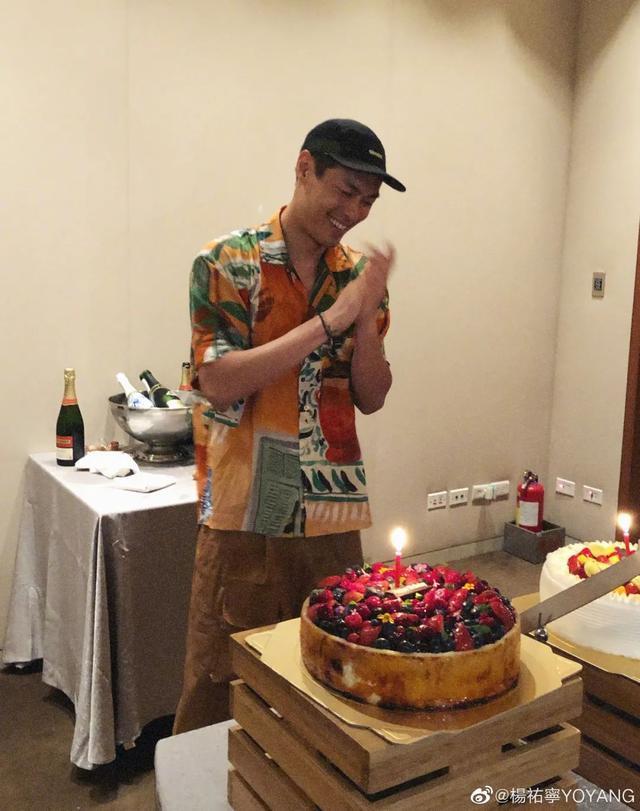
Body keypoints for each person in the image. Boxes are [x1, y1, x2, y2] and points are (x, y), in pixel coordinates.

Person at [173, 118, 406, 733]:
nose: (355, 211)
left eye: (368, 201)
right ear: (305, 167)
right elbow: (218, 380)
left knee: (334, 671)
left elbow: (372, 397)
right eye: (346, 190)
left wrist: (363, 321)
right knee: (219, 677)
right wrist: (330, 321)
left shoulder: (358, 278)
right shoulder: (228, 262)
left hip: (333, 509)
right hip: (243, 509)